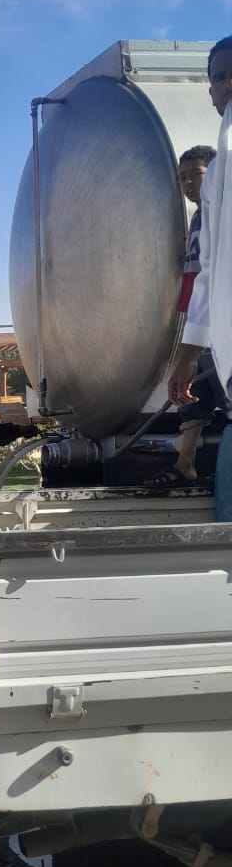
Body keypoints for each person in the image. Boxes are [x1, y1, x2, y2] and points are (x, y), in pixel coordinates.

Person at [168, 36, 232, 518]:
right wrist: (189, 351)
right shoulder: (212, 192)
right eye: (219, 77)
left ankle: (185, 462)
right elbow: (206, 274)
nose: (227, 85)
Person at [149, 145, 224, 490]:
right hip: (198, 313)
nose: (189, 183)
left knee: (209, 383)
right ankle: (185, 463)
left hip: (217, 317)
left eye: (197, 174)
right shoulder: (198, 217)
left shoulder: (221, 212)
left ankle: (189, 463)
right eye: (183, 178)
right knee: (194, 390)